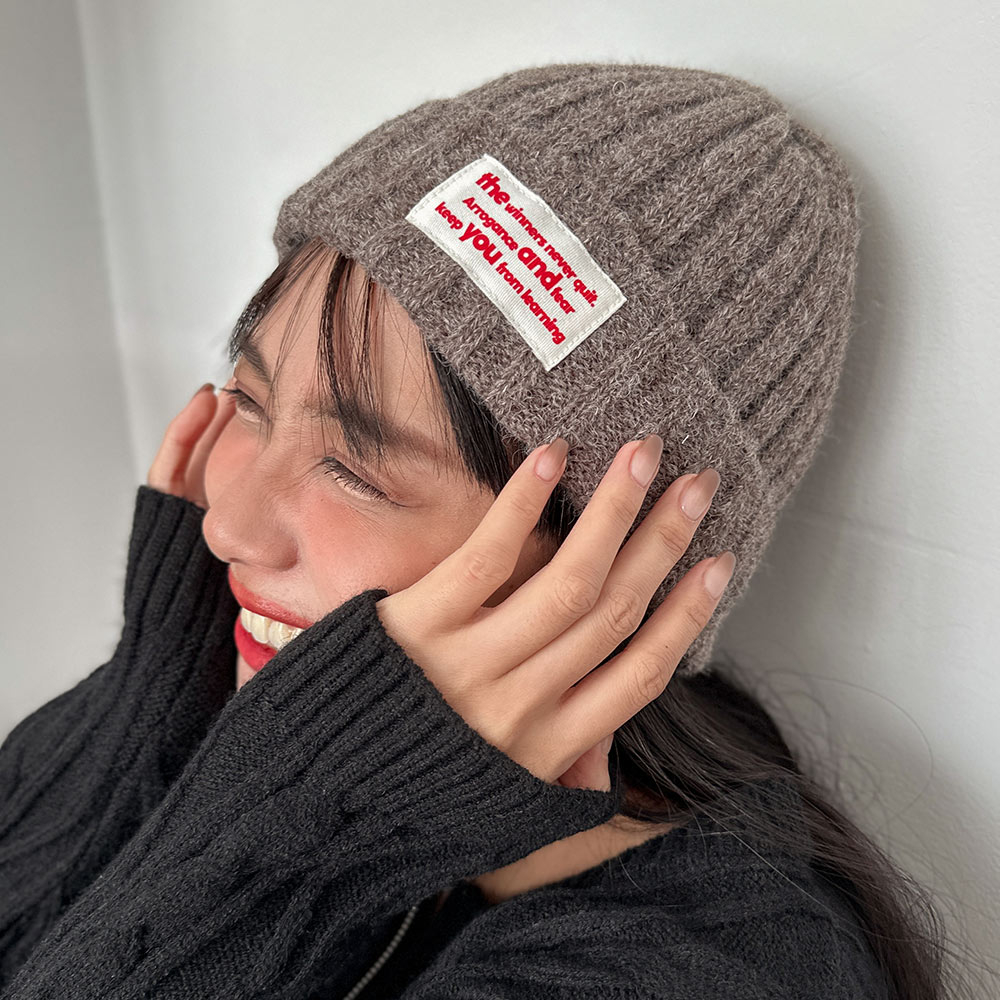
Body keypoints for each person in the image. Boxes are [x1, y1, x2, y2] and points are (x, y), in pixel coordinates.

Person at [0, 63, 962, 999]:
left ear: (612, 563)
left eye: (355, 471)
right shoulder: (224, 711)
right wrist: (144, 712)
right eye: (251, 401)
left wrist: (312, 840)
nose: (227, 528)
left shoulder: (689, 969)